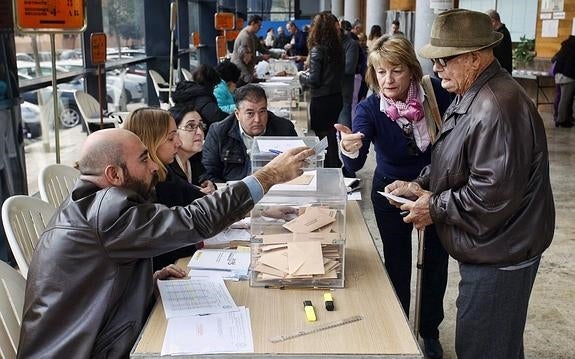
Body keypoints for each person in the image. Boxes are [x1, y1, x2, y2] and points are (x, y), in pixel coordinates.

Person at [17, 127, 314, 358]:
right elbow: (196, 220)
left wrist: (143, 282)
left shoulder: (90, 205)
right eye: (144, 160)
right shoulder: (106, 212)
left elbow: (93, 281)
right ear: (114, 174)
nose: (155, 168)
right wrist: (269, 175)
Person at [387, 9, 555, 359]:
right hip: (492, 247)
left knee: (484, 348)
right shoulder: (474, 90)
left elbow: (490, 198)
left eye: (445, 60)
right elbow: (456, 156)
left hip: (502, 253)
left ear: (475, 58)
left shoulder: (498, 106)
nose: (437, 69)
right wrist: (420, 184)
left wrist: (432, 207)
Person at [334, 34, 451, 359]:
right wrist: (348, 147)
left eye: (396, 70)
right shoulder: (370, 108)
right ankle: (399, 325)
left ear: (411, 70)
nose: (388, 79)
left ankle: (429, 331)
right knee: (397, 263)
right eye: (381, 72)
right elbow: (355, 163)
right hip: (389, 193)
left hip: (433, 190)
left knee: (435, 263)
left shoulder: (435, 94)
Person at [123, 107, 209, 270]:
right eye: (170, 138)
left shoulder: (167, 174)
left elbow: (200, 199)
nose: (178, 142)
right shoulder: (159, 187)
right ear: (150, 143)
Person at [202, 84, 297, 183]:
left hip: (276, 190)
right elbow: (208, 174)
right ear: (237, 114)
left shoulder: (284, 129)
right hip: (233, 193)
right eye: (250, 113)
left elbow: (297, 167)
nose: (257, 120)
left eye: (262, 111)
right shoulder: (218, 132)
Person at [298, 12, 344, 169]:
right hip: (336, 97)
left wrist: (301, 77)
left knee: (323, 136)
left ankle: (329, 167)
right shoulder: (338, 49)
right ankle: (335, 164)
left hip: (322, 99)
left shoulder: (318, 50)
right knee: (331, 134)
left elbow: (314, 80)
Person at [171, 64, 228, 131]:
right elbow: (217, 116)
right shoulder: (202, 97)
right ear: (211, 83)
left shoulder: (188, 91)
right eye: (214, 86)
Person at [338, 20, 360, 131]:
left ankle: (345, 146)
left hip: (345, 88)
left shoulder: (351, 43)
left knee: (344, 120)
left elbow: (349, 68)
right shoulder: (328, 43)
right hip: (329, 90)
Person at [551, 35, 575, 128]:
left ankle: (559, 117)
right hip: (568, 76)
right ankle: (561, 120)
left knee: (560, 97)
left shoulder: (565, 46)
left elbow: (554, 59)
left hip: (558, 74)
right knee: (565, 99)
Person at [486, 9, 513, 74]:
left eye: (487, 24)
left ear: (493, 21)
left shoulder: (501, 35)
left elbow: (495, 55)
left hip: (503, 74)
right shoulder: (501, 32)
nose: (486, 27)